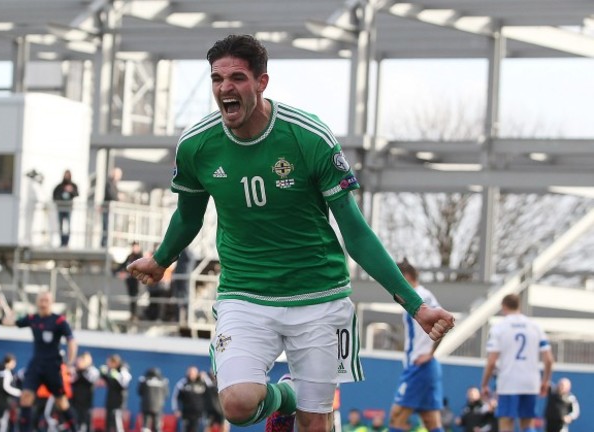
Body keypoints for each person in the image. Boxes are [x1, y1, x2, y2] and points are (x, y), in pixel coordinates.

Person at [126, 34, 454, 432]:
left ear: (262, 83)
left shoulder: (308, 137)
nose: (225, 87)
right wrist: (161, 260)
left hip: (317, 294)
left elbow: (356, 232)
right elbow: (188, 217)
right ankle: (287, 397)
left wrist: (415, 305)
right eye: (217, 79)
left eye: (237, 78)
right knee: (238, 403)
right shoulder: (197, 145)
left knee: (316, 424)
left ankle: (301, 406)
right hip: (245, 294)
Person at [0, 291, 78, 432]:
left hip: (52, 366)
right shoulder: (33, 319)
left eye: (46, 300)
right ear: (37, 302)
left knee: (61, 402)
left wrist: (70, 362)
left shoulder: (59, 321)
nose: (43, 303)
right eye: (41, 300)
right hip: (36, 364)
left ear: (51, 302)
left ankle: (76, 428)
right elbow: (13, 322)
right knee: (25, 398)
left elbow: (72, 341)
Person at [481, 293, 554, 432]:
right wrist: (545, 381)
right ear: (519, 306)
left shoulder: (499, 327)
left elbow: (491, 362)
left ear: (503, 307)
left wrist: (484, 384)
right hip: (530, 382)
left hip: (508, 382)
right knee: (528, 422)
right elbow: (549, 360)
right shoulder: (535, 326)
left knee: (506, 421)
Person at [388, 259, 446, 432]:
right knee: (430, 421)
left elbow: (443, 319)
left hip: (420, 366)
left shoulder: (420, 295)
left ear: (406, 276)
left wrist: (430, 352)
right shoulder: (418, 296)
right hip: (424, 366)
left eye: (396, 278)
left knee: (397, 416)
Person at [99, 354, 132, 432]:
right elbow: (110, 383)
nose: (108, 365)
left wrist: (117, 376)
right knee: (108, 423)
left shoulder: (123, 370)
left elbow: (124, 384)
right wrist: (104, 374)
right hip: (110, 401)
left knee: (117, 422)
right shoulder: (112, 371)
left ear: (115, 363)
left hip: (118, 403)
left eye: (109, 363)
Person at [171, 366, 209, 432]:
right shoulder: (183, 383)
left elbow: (211, 392)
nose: (191, 375)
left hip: (199, 414)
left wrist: (206, 378)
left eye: (193, 373)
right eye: (190, 373)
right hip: (186, 414)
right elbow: (175, 397)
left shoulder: (202, 383)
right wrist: (176, 410)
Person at [71, 352, 101, 432]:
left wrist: (83, 371)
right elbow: (71, 380)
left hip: (87, 401)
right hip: (75, 400)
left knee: (87, 422)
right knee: (75, 421)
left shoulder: (92, 370)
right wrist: (78, 370)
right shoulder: (75, 370)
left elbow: (91, 380)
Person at [114, 241, 144, 322]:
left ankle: (135, 315)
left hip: (136, 281)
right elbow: (123, 265)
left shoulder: (140, 257)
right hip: (129, 281)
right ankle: (132, 315)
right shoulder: (130, 256)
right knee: (131, 298)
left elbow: (138, 269)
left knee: (135, 298)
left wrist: (126, 273)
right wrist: (116, 271)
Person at [52, 169, 79, 247]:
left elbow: (77, 194)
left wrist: (71, 190)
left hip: (68, 209)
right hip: (60, 208)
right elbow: (54, 196)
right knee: (61, 226)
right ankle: (62, 242)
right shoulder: (59, 186)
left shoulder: (73, 185)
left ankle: (67, 242)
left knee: (68, 226)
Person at [138, 367, 170, 432]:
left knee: (146, 425)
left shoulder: (144, 380)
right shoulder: (163, 381)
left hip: (146, 406)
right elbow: (166, 395)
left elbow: (139, 392)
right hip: (158, 407)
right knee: (157, 426)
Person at [102, 167, 123, 247]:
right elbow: (110, 195)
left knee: (110, 227)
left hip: (111, 209)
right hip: (108, 209)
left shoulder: (113, 184)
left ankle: (109, 243)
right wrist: (118, 197)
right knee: (107, 227)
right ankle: (105, 243)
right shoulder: (109, 183)